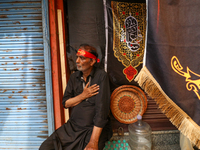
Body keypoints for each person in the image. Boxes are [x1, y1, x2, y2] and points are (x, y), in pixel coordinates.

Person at [39, 44, 112, 150]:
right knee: (46, 147)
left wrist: (93, 141)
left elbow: (102, 112)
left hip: (92, 129)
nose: (77, 61)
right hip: (72, 127)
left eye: (82, 58)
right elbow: (66, 103)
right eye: (77, 57)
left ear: (92, 62)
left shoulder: (101, 76)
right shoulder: (74, 77)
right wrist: (83, 95)